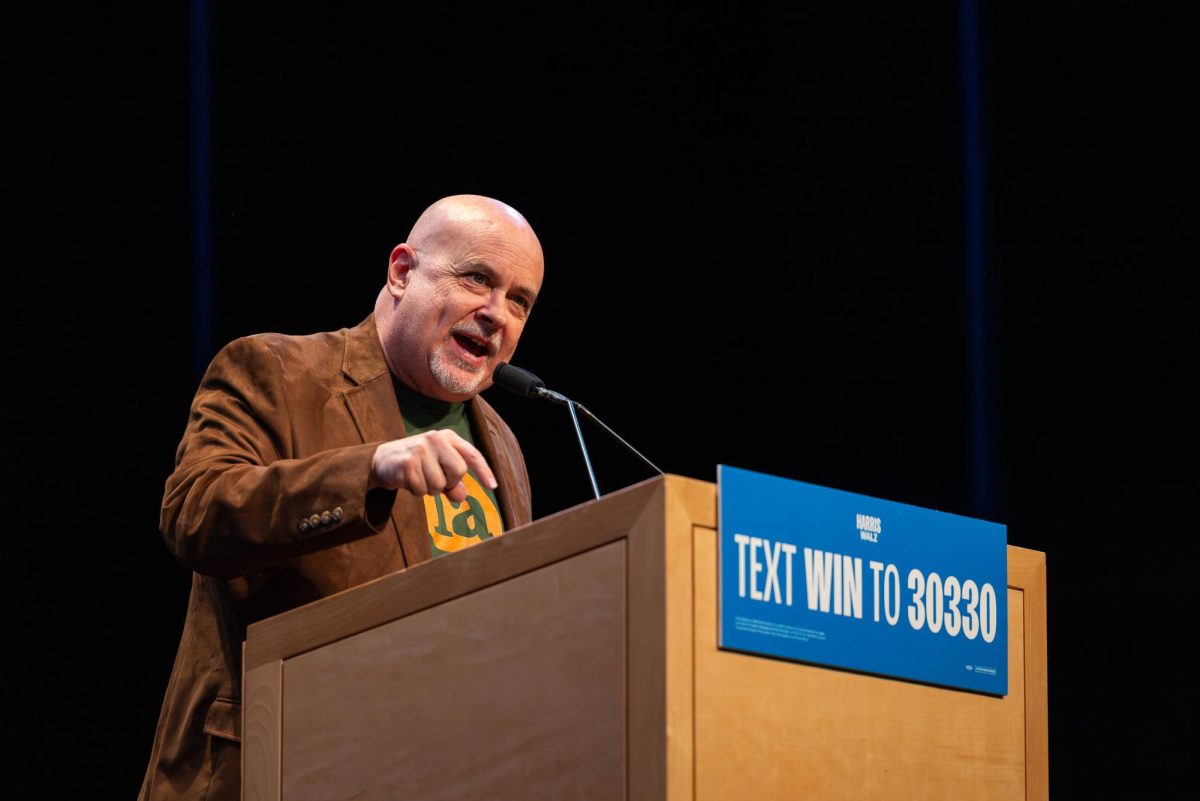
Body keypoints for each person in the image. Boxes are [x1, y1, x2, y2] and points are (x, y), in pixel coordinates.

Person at [138, 195, 545, 801]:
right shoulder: (276, 372)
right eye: (476, 278)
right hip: (280, 764)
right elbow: (195, 514)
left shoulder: (503, 445)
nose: (496, 314)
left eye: (519, 300)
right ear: (403, 272)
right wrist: (371, 467)